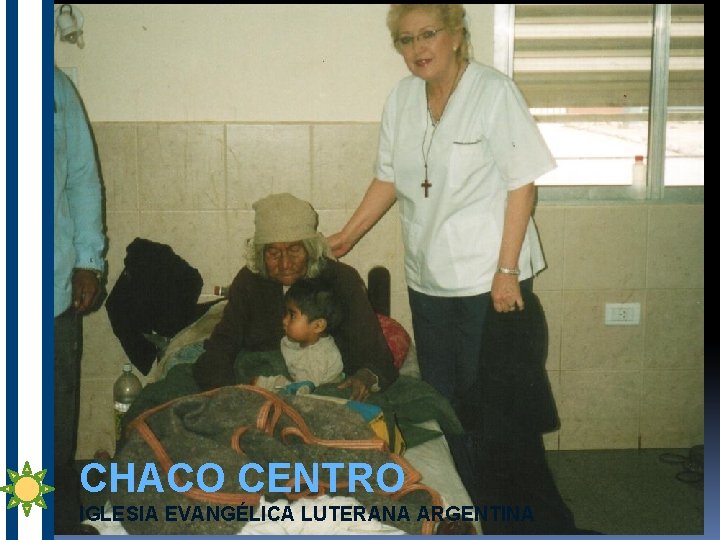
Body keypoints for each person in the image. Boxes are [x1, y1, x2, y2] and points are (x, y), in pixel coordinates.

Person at [328, 5, 587, 534]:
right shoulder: (402, 100)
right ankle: (483, 520)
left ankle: (543, 527)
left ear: (456, 36)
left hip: (490, 283)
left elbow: (523, 184)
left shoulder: (492, 93)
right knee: (448, 410)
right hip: (430, 282)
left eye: (429, 34)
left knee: (501, 419)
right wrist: (345, 237)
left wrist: (507, 270)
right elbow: (387, 178)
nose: (418, 48)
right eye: (406, 40)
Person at [192, 193, 398, 401]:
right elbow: (223, 342)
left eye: (294, 251)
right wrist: (228, 392)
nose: (285, 264)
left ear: (310, 249)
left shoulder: (342, 280)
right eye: (273, 254)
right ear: (261, 255)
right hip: (262, 383)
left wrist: (364, 377)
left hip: (327, 385)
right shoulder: (249, 281)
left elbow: (374, 352)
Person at [54, 66, 106, 535]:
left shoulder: (53, 86)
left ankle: (56, 523)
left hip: (47, 294)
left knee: (52, 425)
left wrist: (88, 260)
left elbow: (81, 179)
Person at [255, 278, 345, 394]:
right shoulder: (297, 339)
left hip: (321, 392)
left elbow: (304, 390)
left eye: (292, 316)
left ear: (318, 325)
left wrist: (270, 383)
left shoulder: (318, 358)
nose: (284, 320)